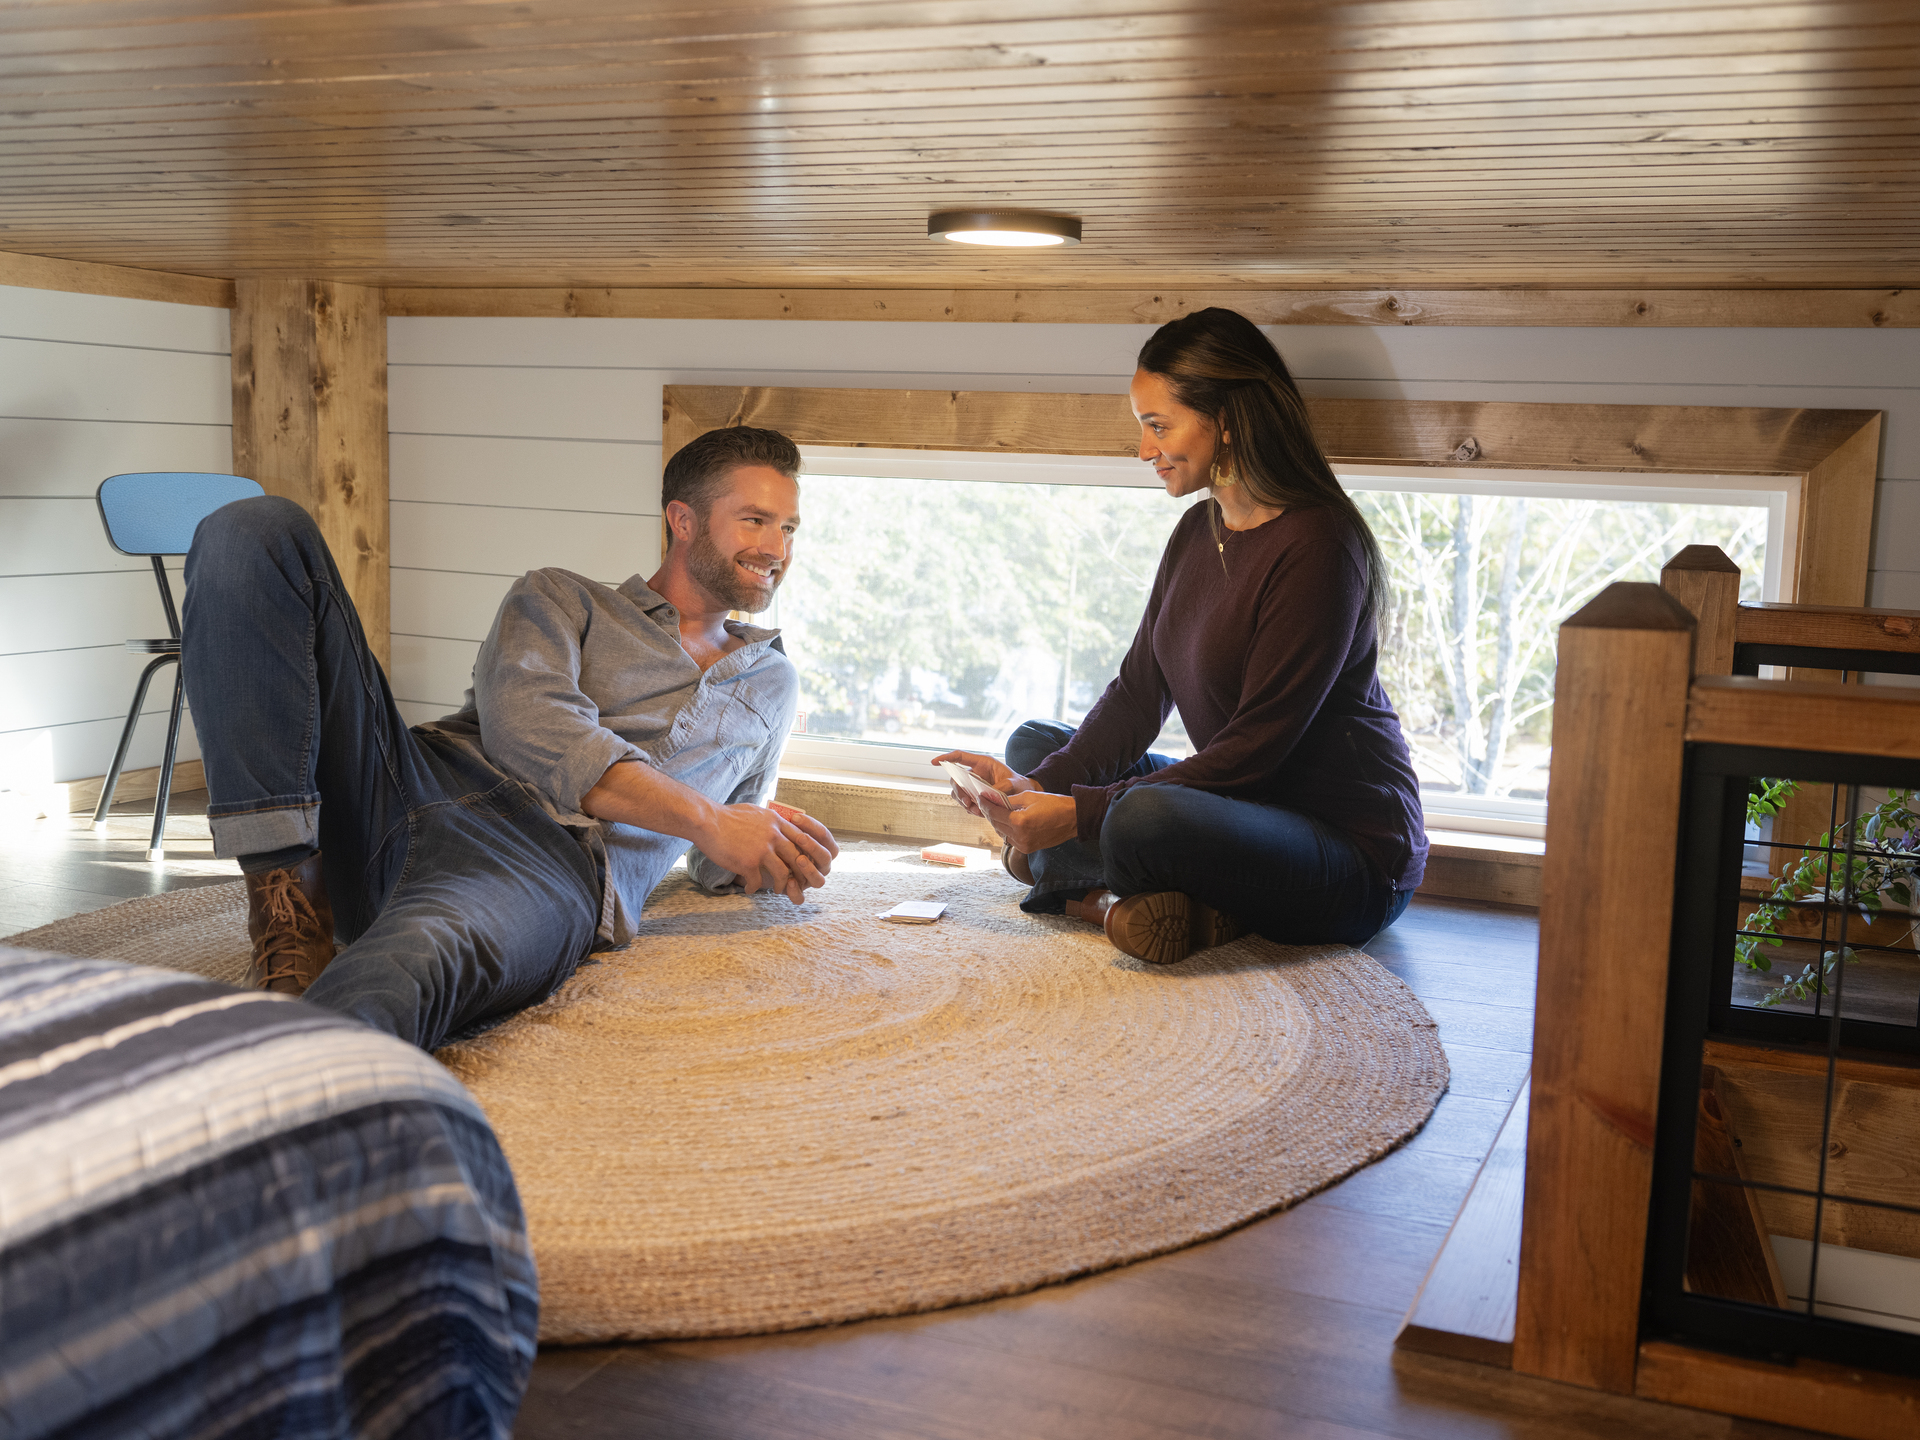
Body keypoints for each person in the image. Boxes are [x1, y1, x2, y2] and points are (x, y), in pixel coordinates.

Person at [182, 425, 838, 1050]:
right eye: (754, 520)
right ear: (683, 519)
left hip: (552, 865)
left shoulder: (772, 683)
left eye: (789, 528)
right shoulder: (562, 597)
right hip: (409, 784)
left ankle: (250, 1104)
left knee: (394, 985)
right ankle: (284, 894)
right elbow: (530, 726)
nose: (776, 549)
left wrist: (772, 849)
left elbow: (720, 855)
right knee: (257, 527)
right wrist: (706, 818)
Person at [936, 308, 1426, 965]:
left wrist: (1073, 818)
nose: (1144, 449)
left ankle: (1095, 892)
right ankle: (1143, 898)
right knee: (1036, 743)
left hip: (1348, 853)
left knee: (1143, 820)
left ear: (1228, 420)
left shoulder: (1321, 545)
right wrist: (1027, 790)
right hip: (1242, 809)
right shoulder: (1199, 532)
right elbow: (1137, 697)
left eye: (1157, 425)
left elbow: (1252, 754)